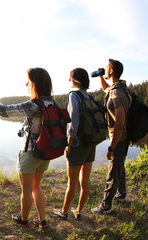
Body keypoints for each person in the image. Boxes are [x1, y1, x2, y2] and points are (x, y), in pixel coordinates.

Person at [0, 67, 54, 229]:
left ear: (36, 83)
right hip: (46, 152)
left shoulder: (33, 105)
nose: (26, 84)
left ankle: (24, 220)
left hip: (30, 153)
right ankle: (42, 221)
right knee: (36, 187)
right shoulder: (52, 103)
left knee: (26, 190)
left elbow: (4, 111)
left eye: (29, 81)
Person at [53, 68, 95, 220]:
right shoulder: (89, 96)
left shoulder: (74, 95)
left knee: (72, 183)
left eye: (69, 78)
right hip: (90, 142)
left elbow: (74, 120)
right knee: (85, 180)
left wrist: (69, 143)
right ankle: (78, 211)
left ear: (75, 80)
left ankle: (64, 212)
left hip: (77, 143)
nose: (68, 81)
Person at [91, 59, 131, 214]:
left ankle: (105, 206)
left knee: (113, 171)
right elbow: (106, 89)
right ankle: (121, 194)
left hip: (119, 137)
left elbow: (120, 123)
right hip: (122, 137)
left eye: (107, 68)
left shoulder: (117, 93)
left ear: (112, 70)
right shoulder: (117, 88)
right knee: (119, 166)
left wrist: (111, 147)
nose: (105, 69)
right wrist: (101, 76)